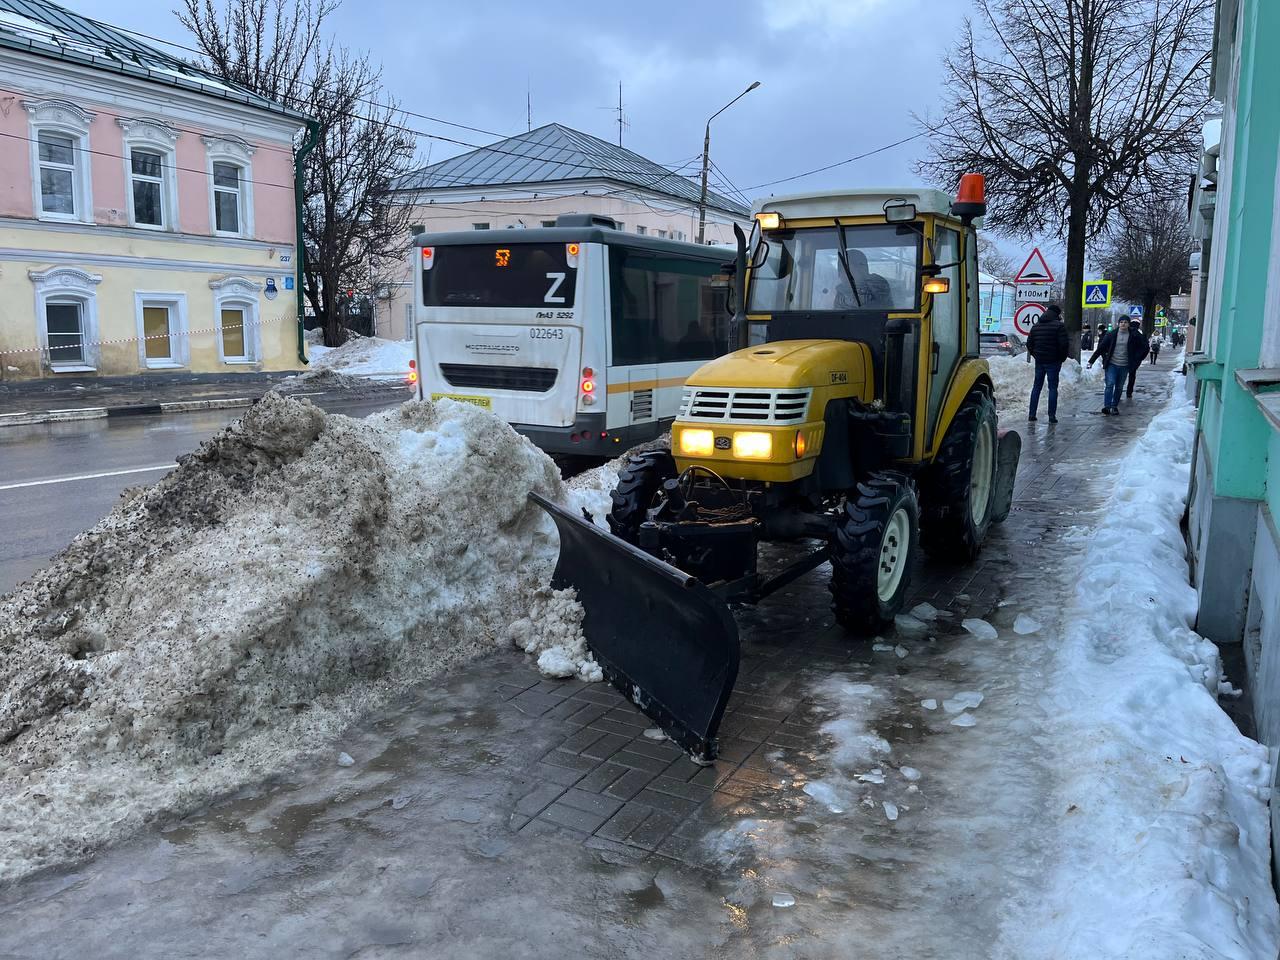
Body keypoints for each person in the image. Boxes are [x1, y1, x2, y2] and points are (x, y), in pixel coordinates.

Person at [1089, 316, 1149, 414]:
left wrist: (1137, 358)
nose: (1123, 324)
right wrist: (1091, 361)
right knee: (1110, 384)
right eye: (1121, 322)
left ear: (1128, 324)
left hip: (1125, 365)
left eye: (1125, 322)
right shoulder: (1112, 334)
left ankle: (1114, 406)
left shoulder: (1134, 335)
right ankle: (1107, 407)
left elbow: (1145, 346)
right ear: (1118, 323)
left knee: (1119, 387)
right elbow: (1101, 348)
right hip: (1112, 363)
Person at [1025, 303, 1069, 423]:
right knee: (1053, 388)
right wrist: (1061, 358)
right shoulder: (1059, 326)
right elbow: (1064, 345)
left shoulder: (1036, 326)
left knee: (1036, 387)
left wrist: (1036, 355)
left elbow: (1029, 344)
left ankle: (1032, 414)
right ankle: (1051, 416)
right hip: (1053, 361)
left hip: (1039, 361)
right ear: (1057, 314)